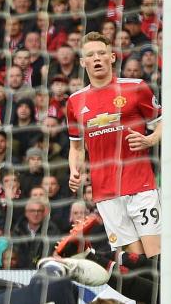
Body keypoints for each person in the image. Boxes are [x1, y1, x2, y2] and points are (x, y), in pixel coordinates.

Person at [66, 32, 162, 258]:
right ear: (83, 62)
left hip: (141, 186)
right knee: (132, 262)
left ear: (112, 57)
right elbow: (76, 147)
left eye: (101, 53)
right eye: (90, 54)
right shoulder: (75, 101)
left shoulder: (136, 87)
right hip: (106, 193)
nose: (96, 58)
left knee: (156, 255)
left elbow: (162, 123)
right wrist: (74, 170)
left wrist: (149, 139)